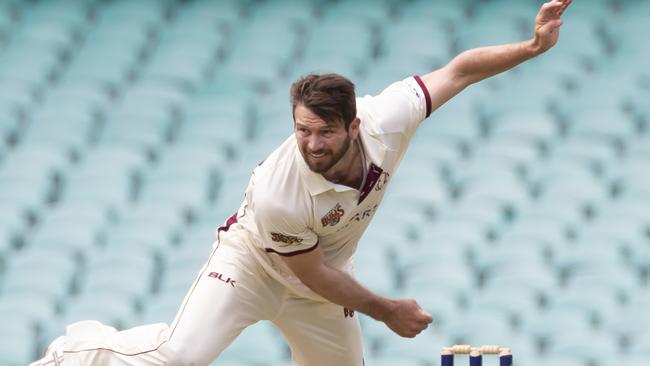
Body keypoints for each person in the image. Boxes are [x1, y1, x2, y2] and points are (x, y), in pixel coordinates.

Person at [31, 1, 572, 365]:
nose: (310, 144)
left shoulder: (388, 116)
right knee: (176, 359)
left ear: (353, 125)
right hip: (250, 268)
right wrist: (388, 310)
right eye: (301, 130)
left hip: (324, 280)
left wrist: (530, 48)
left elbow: (458, 71)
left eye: (324, 132)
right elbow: (310, 272)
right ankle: (75, 353)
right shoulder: (279, 190)